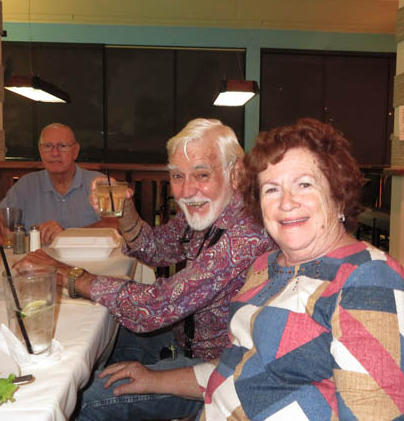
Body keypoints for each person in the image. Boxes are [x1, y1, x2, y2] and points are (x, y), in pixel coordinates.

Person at [99, 118, 404, 420]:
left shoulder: (370, 281)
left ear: (338, 191)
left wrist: (77, 280)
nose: (286, 202)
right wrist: (154, 380)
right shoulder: (267, 269)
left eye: (304, 184)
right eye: (272, 188)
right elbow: (238, 367)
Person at [15, 118, 275, 420]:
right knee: (84, 347)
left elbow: (157, 306)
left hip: (214, 372)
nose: (187, 190)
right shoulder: (209, 209)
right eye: (177, 175)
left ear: (236, 173)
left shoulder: (245, 234)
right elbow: (156, 248)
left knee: (76, 399)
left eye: (202, 174)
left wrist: (71, 276)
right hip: (180, 339)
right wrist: (125, 212)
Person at [0, 123, 104, 245]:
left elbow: (113, 224)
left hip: (87, 257)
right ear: (40, 151)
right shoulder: (26, 185)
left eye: (62, 146)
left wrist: (66, 235)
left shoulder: (97, 183)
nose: (55, 153)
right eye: (47, 146)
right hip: (37, 257)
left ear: (75, 151)